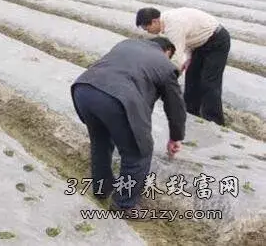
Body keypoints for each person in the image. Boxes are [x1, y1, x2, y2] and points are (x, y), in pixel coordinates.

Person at [70, 37, 186, 218]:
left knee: (100, 143)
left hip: (84, 89)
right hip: (116, 99)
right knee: (138, 153)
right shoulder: (165, 64)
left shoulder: (126, 44)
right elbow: (175, 105)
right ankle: (124, 205)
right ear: (167, 51)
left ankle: (102, 189)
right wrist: (175, 137)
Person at [135, 7, 231, 126]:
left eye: (147, 28)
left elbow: (176, 57)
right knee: (191, 77)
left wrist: (166, 80)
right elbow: (187, 39)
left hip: (217, 41)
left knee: (209, 82)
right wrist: (189, 59)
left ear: (155, 21)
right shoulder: (165, 23)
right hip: (199, 44)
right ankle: (191, 112)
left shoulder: (173, 25)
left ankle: (215, 121)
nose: (147, 31)